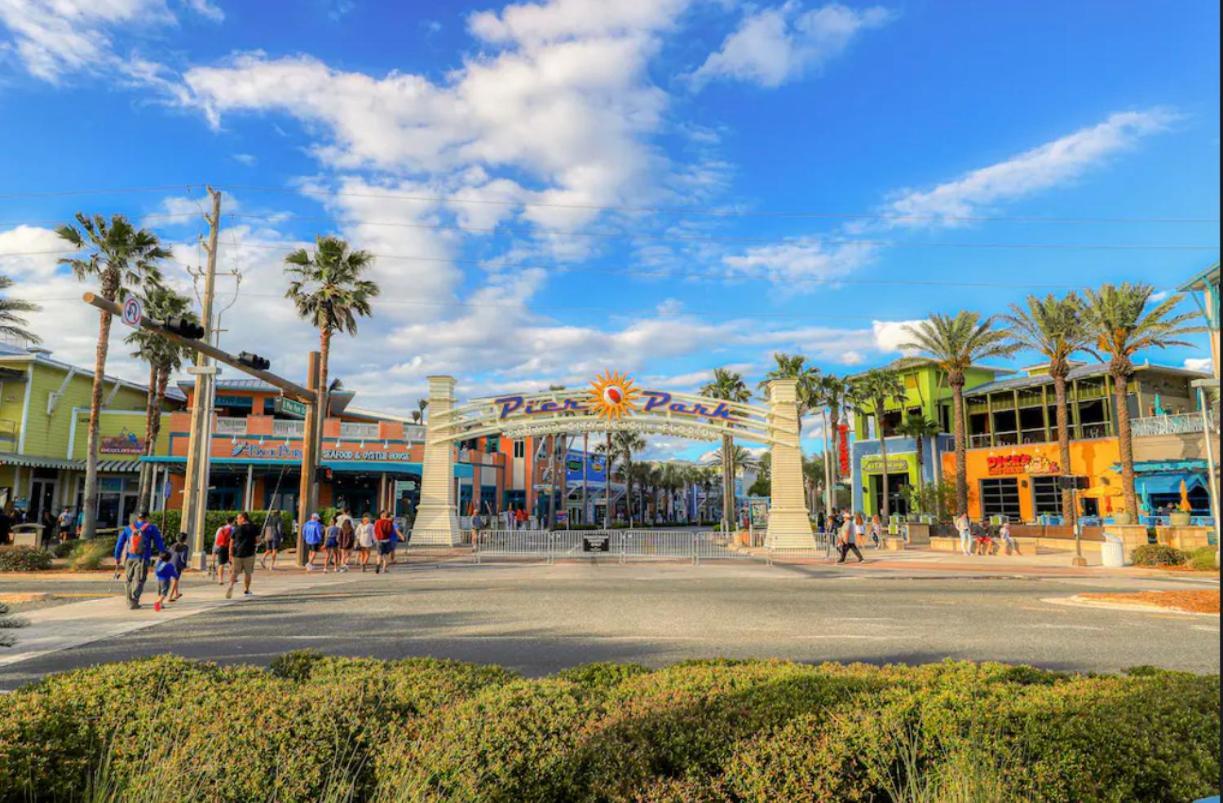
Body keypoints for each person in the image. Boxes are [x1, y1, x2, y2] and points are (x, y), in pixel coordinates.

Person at [113, 511, 166, 610]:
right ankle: (134, 600)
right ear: (146, 518)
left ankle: (129, 600)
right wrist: (163, 554)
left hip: (129, 558)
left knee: (128, 579)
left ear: (137, 517)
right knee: (140, 580)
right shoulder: (151, 528)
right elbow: (159, 543)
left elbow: (119, 544)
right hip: (143, 558)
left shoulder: (128, 528)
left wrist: (117, 557)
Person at [226, 512, 260, 599]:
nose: (237, 520)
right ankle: (246, 589)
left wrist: (230, 553)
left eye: (238, 518)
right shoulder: (254, 528)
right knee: (248, 573)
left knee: (234, 572)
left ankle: (230, 585)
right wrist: (259, 542)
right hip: (249, 553)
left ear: (243, 518)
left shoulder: (236, 529)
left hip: (237, 553)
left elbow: (231, 542)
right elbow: (257, 540)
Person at [212, 517, 234, 585]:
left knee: (221, 564)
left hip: (220, 547)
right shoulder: (233, 529)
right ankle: (231, 579)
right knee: (231, 563)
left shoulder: (221, 529)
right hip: (229, 547)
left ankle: (220, 580)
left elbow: (217, 538)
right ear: (233, 522)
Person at [373, 509, 395, 574]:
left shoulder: (377, 522)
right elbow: (390, 531)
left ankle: (378, 566)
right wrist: (390, 521)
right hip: (387, 540)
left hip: (379, 540)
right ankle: (384, 569)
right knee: (386, 555)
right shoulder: (389, 522)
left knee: (379, 554)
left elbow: (375, 531)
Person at [170, 533, 189, 601]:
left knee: (176, 579)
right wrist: (184, 565)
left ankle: (176, 593)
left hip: (170, 562)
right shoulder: (185, 547)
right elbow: (183, 557)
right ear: (185, 539)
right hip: (178, 564)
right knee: (175, 579)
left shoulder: (173, 545)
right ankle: (170, 596)